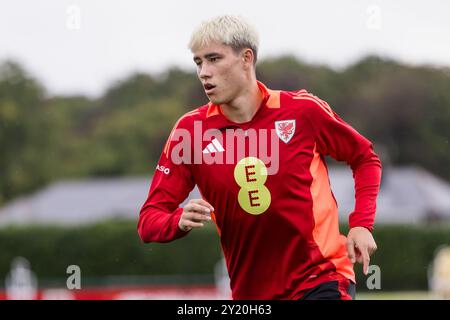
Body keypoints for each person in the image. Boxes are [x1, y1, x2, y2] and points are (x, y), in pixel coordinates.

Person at [138, 15, 382, 300]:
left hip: (321, 277)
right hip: (251, 294)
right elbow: (149, 220)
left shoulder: (302, 111)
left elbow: (365, 158)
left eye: (214, 59)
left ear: (246, 58)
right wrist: (177, 221)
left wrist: (362, 224)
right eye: (198, 62)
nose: (204, 72)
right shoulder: (190, 132)